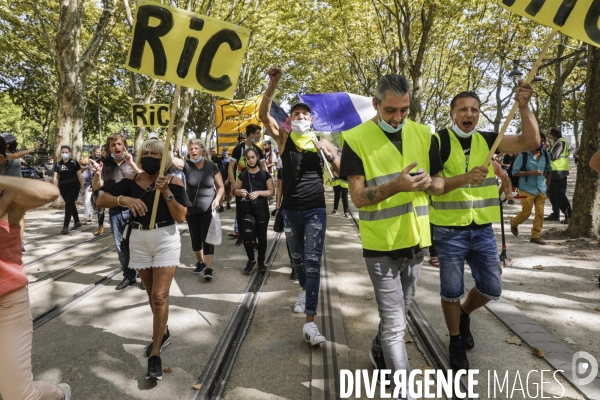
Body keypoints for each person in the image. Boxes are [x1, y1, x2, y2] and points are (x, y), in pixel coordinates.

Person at [339, 74, 445, 396]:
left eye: (404, 110)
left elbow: (441, 185)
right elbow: (357, 198)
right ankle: (403, 390)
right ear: (375, 104)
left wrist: (431, 183)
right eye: (390, 110)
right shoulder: (355, 139)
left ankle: (377, 350)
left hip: (416, 243)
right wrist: (396, 186)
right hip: (380, 246)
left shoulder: (425, 134)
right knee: (397, 324)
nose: (398, 118)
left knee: (400, 313)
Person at [430, 85, 539, 372]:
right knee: (451, 290)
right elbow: (434, 187)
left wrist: (524, 107)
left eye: (475, 110)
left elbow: (530, 141)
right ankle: (455, 341)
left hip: (482, 230)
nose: (469, 114)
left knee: (492, 287)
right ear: (453, 114)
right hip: (448, 230)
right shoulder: (437, 141)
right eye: (463, 109)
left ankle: (466, 313)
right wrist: (465, 178)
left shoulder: (490, 140)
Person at [259, 65, 340, 345]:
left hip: (315, 208)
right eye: (296, 114)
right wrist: (273, 84)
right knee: (297, 259)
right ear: (290, 120)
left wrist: (328, 155)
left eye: (305, 114)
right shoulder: (283, 139)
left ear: (312, 119)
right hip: (291, 210)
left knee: (313, 261)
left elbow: (341, 172)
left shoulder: (322, 141)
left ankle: (310, 323)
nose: (301, 117)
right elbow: (262, 116)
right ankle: (303, 288)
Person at [98, 139, 190, 381]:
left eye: (155, 154)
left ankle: (155, 355)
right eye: (146, 152)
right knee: (151, 295)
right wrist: (124, 200)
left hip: (165, 239)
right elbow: (101, 200)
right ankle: (164, 331)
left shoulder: (174, 181)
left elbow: (181, 217)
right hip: (138, 240)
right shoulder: (131, 181)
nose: (150, 156)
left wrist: (167, 192)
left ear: (164, 158)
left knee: (160, 296)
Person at [0, 136, 72, 400]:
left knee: (18, 395)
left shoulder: (8, 198)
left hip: (6, 304)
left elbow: (51, 193)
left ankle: (60, 395)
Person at [92, 133, 143, 290]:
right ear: (109, 147)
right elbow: (97, 186)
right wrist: (97, 174)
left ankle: (144, 275)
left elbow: (145, 178)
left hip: (136, 208)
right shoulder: (104, 163)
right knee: (121, 247)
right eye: (113, 145)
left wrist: (132, 164)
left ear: (124, 145)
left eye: (119, 144)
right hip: (115, 210)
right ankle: (129, 276)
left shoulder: (134, 158)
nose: (117, 147)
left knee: (139, 245)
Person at [171, 138, 224, 280]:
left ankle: (208, 268)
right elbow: (172, 160)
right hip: (192, 210)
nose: (193, 151)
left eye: (196, 148)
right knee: (195, 238)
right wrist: (168, 146)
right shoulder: (187, 165)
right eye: (191, 149)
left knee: (207, 238)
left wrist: (217, 199)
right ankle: (200, 263)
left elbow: (221, 186)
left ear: (202, 150)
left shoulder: (211, 166)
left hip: (208, 209)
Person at [234, 148, 274, 274]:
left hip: (262, 209)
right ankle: (251, 260)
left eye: (253, 157)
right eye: (248, 158)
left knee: (262, 237)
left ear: (257, 157)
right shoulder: (243, 174)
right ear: (245, 160)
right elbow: (235, 189)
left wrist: (258, 193)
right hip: (247, 210)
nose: (251, 160)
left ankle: (261, 261)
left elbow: (271, 191)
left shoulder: (264, 174)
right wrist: (240, 192)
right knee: (247, 235)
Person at [509, 138, 552, 245]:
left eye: (542, 141)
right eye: (538, 141)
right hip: (526, 188)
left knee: (540, 213)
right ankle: (514, 223)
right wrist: (531, 172)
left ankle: (535, 236)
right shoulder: (523, 155)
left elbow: (549, 169)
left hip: (541, 188)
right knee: (526, 213)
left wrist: (548, 183)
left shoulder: (546, 155)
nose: (540, 143)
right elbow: (514, 172)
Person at [228, 127, 266, 245]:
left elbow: (263, 167)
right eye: (258, 134)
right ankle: (241, 236)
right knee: (240, 211)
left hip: (255, 186)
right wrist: (234, 184)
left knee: (254, 211)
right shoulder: (238, 149)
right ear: (251, 135)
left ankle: (253, 237)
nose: (259, 136)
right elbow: (230, 167)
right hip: (241, 186)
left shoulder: (258, 150)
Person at [53, 145, 84, 235]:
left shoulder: (74, 163)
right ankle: (77, 221)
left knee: (68, 205)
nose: (64, 154)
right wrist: (54, 188)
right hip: (63, 188)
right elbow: (56, 177)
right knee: (71, 204)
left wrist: (82, 188)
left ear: (69, 153)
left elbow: (80, 176)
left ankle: (65, 226)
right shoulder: (58, 164)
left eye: (66, 152)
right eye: (62, 152)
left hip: (74, 187)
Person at [545, 127, 572, 224]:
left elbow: (553, 156)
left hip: (559, 172)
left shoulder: (560, 142)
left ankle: (569, 215)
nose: (548, 135)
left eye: (549, 133)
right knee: (552, 195)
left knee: (560, 195)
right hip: (554, 172)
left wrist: (545, 151)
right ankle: (555, 214)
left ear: (552, 134)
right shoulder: (558, 142)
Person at [91, 147, 106, 235]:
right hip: (101, 186)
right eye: (102, 150)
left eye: (104, 150)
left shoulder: (112, 161)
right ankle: (100, 227)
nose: (103, 152)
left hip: (112, 186)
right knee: (100, 207)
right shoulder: (99, 161)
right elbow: (94, 175)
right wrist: (92, 186)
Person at [80, 156, 94, 224]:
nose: (83, 166)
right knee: (84, 203)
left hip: (89, 187)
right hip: (81, 188)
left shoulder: (91, 170)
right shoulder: (79, 170)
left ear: (88, 164)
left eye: (85, 165)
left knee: (87, 202)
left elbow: (93, 179)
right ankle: (90, 214)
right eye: (82, 164)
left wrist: (92, 187)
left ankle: (85, 218)